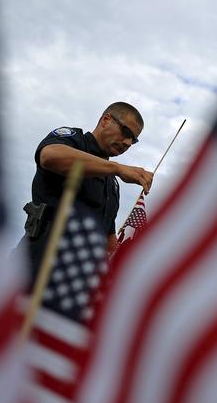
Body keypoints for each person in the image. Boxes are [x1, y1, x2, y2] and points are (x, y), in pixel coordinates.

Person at [17, 101, 153, 280]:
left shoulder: (111, 183)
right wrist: (117, 168)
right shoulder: (74, 141)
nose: (127, 142)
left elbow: (108, 239)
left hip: (76, 279)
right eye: (126, 132)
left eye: (133, 140)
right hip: (38, 267)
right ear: (106, 120)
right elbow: (49, 156)